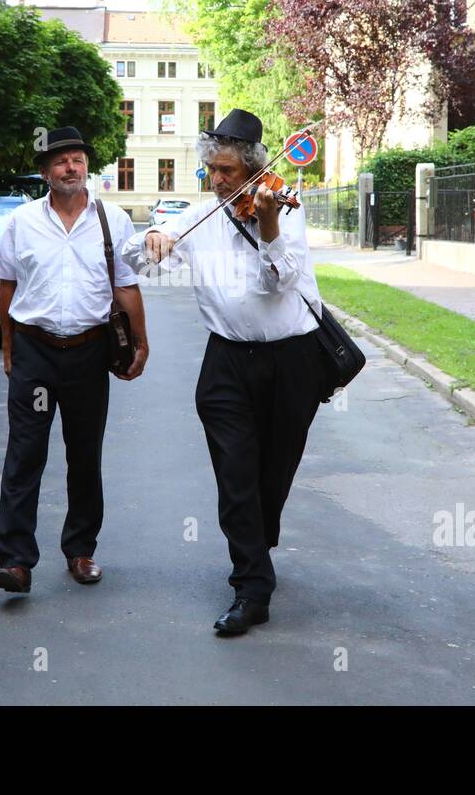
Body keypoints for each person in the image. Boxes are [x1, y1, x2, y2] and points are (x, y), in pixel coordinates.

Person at [121, 109, 329, 635]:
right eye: (211, 170)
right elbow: (138, 263)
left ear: (256, 169)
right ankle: (252, 587)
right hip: (227, 363)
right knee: (236, 476)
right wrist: (151, 240)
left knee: (273, 475)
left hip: (293, 360)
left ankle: (258, 541)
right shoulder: (197, 217)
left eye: (227, 172)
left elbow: (280, 282)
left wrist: (268, 224)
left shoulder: (287, 210)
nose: (216, 180)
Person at [0, 126, 149, 595]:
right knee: (25, 453)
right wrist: (8, 343)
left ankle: (81, 550)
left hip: (88, 354)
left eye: (77, 159)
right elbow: (7, 286)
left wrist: (141, 341)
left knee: (84, 455)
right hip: (35, 352)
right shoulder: (22, 221)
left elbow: (126, 285)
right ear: (45, 172)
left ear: (86, 167)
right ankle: (16, 561)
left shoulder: (112, 220)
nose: (71, 167)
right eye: (60, 161)